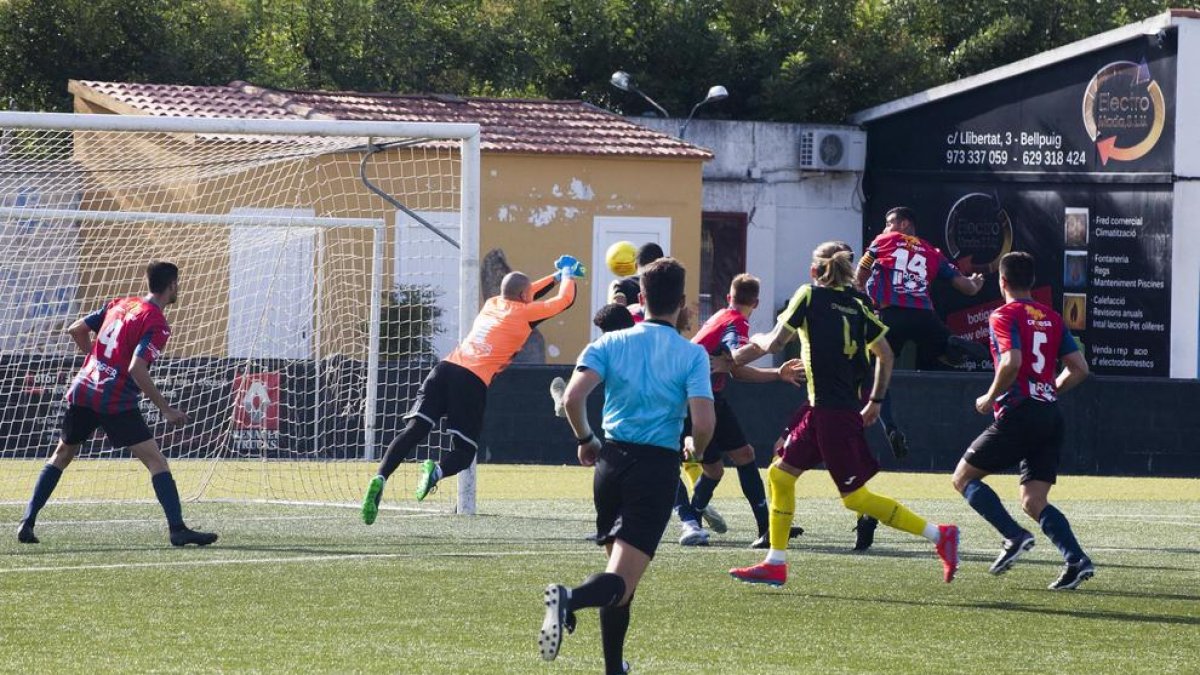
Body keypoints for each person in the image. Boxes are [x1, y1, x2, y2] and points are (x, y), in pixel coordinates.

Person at [728, 242, 959, 587]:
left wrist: (741, 350)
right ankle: (775, 562)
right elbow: (887, 355)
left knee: (856, 498)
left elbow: (775, 343)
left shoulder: (808, 295)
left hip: (832, 414)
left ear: (813, 271)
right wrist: (877, 401)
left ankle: (940, 535)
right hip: (829, 410)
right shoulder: (859, 305)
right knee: (780, 475)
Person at [539, 258, 715, 674]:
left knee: (620, 582)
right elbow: (704, 422)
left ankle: (614, 667)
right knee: (619, 580)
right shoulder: (692, 355)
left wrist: (585, 440)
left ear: (641, 299)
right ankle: (568, 597)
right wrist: (698, 448)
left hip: (610, 463)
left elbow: (571, 398)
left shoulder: (608, 343)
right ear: (683, 303)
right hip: (655, 469)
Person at [361, 256, 583, 522]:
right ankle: (436, 472)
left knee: (415, 430)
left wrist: (555, 277)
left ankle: (381, 477)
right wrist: (568, 275)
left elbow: (525, 291)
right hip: (471, 380)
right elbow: (564, 301)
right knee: (464, 453)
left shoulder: (492, 303)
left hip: (444, 368)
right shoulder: (525, 312)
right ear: (525, 296)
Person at [16, 261, 217, 547]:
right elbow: (137, 368)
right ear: (172, 285)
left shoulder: (120, 303)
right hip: (114, 398)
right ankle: (177, 529)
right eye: (177, 284)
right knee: (156, 461)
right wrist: (166, 409)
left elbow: (76, 330)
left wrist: (98, 363)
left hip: (84, 388)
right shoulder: (156, 322)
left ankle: (27, 520)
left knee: (61, 454)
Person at [950, 251, 1094, 590]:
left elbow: (1011, 362)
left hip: (1020, 412)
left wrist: (988, 397)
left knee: (963, 478)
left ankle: (1013, 537)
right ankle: (1076, 559)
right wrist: (1049, 391)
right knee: (1033, 500)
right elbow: (1080, 369)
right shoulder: (1051, 316)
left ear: (1002, 281)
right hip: (1049, 414)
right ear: (1030, 281)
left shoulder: (1003, 314)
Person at [674, 273, 805, 548]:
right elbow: (736, 355)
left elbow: (735, 370)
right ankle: (761, 527)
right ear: (756, 303)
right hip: (700, 399)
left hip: (698, 397)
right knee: (736, 459)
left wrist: (776, 373)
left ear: (728, 297)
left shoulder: (721, 315)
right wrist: (763, 344)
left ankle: (695, 522)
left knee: (717, 468)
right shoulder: (736, 322)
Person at [855, 206, 987, 460]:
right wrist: (977, 283)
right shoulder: (931, 251)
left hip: (891, 314)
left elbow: (863, 266)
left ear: (904, 224)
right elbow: (966, 288)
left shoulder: (884, 240)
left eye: (889, 223)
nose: (885, 228)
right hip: (924, 314)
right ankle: (952, 343)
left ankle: (890, 426)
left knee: (875, 374)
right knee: (947, 356)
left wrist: (859, 288)